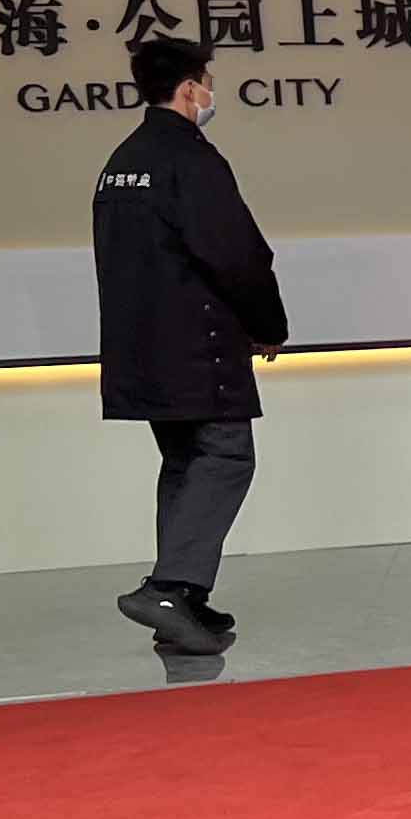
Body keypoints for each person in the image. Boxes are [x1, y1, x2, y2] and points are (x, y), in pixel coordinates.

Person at [93, 34, 288, 659]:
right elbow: (236, 253)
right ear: (188, 88)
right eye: (206, 82)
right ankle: (170, 588)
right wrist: (269, 323)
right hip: (199, 343)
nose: (209, 94)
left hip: (140, 347)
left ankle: (184, 604)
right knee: (226, 455)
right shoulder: (190, 159)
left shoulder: (121, 161)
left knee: (184, 464)